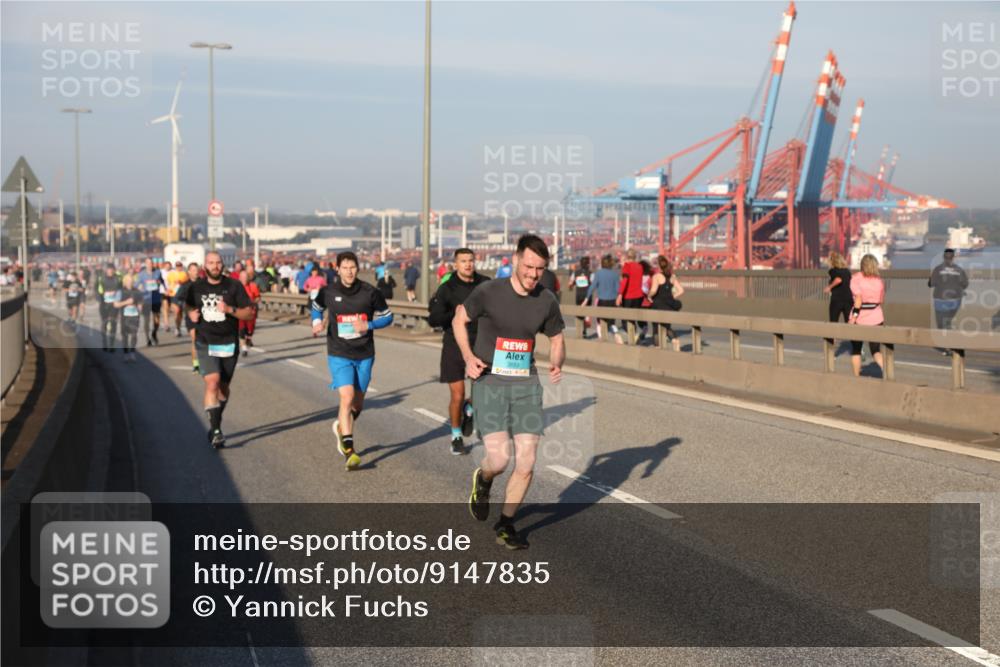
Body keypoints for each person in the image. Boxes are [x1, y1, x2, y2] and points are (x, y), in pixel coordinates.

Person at [454, 234, 565, 550]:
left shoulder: (546, 300)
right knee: (500, 459)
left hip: (525, 383)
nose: (533, 274)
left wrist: (556, 362)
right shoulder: (489, 291)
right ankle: (484, 479)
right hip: (490, 381)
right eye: (529, 266)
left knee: (527, 462)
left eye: (540, 269)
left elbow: (557, 338)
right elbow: (459, 320)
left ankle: (506, 523)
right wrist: (468, 357)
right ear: (516, 260)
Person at [310, 251, 393, 470]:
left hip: (365, 353)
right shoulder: (328, 291)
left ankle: (341, 427)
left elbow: (388, 316)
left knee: (357, 404)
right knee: (346, 397)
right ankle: (350, 451)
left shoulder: (370, 292)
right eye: (345, 268)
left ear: (358, 268)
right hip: (339, 352)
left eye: (353, 267)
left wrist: (369, 325)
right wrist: (316, 322)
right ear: (337, 269)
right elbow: (316, 307)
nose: (349, 272)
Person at [186, 251, 256, 448]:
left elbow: (249, 313)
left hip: (228, 343)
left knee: (223, 389)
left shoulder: (234, 286)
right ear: (205, 266)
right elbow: (188, 306)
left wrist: (229, 310)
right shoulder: (196, 287)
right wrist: (190, 314)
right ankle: (216, 432)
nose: (215, 266)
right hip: (205, 341)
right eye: (211, 263)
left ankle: (216, 420)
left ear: (223, 265)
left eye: (218, 262)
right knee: (213, 382)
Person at [428, 248, 489, 454]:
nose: (468, 264)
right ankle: (456, 436)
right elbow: (433, 319)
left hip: (480, 343)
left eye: (471, 260)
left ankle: (469, 408)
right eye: (463, 261)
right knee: (458, 394)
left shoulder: (485, 284)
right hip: (454, 344)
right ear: (456, 264)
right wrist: (454, 315)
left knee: (481, 393)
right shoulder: (447, 288)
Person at [848, 253, 886, 377]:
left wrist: (854, 317)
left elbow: (858, 300)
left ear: (862, 265)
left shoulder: (856, 278)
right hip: (876, 318)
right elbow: (881, 301)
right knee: (875, 350)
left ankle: (856, 378)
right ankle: (886, 372)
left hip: (860, 319)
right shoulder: (879, 281)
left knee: (856, 350)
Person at [647, 256, 684, 351]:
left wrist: (649, 296)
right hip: (669, 305)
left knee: (656, 328)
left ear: (659, 266)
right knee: (666, 326)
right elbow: (681, 290)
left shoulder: (657, 276)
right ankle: (675, 340)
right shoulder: (672, 277)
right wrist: (672, 296)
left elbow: (654, 290)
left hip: (658, 305)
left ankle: (657, 347)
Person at [929, 248, 969, 335]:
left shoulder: (937, 269)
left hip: (940, 299)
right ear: (953, 257)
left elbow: (931, 283)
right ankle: (948, 332)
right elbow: (965, 284)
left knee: (940, 324)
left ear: (943, 257)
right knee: (947, 320)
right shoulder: (959, 269)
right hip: (955, 300)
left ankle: (943, 337)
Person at [585, 254, 623, 344]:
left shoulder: (598, 273)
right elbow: (618, 289)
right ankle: (616, 333)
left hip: (602, 300)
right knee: (611, 321)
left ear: (602, 263)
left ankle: (601, 338)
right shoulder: (615, 274)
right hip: (612, 301)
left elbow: (592, 287)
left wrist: (586, 299)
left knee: (599, 321)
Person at [172, 262, 202, 373]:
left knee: (205, 340)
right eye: (193, 270)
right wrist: (184, 308)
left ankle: (206, 361)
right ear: (189, 272)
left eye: (197, 269)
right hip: (191, 316)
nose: (196, 272)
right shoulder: (185, 286)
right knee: (195, 339)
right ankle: (196, 364)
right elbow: (176, 300)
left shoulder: (204, 283)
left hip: (204, 315)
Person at [617, 249, 645, 342]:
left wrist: (620, 294)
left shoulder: (627, 266)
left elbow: (625, 281)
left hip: (628, 296)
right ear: (635, 256)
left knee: (625, 320)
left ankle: (634, 335)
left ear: (627, 256)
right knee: (633, 318)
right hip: (639, 296)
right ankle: (634, 336)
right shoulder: (640, 266)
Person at [95, 263, 124, 353]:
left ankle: (111, 345)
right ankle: (105, 343)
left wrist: (118, 299)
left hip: (114, 304)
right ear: (106, 270)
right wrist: (100, 299)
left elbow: (121, 289)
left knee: (113, 323)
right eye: (109, 269)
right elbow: (96, 290)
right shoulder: (101, 278)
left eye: (112, 269)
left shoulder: (118, 278)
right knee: (104, 323)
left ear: (114, 270)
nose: (110, 271)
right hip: (104, 304)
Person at [136, 258, 165, 347]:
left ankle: (154, 333)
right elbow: (135, 286)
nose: (150, 265)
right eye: (148, 263)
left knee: (157, 320)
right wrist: (139, 293)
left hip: (156, 298)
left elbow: (162, 281)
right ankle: (147, 338)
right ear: (145, 264)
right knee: (146, 320)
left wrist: (163, 286)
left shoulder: (158, 272)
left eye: (151, 263)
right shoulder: (141, 274)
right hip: (146, 299)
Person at [115, 274, 143, 362]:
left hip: (135, 316)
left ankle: (132, 353)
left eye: (131, 281)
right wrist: (126, 302)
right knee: (125, 335)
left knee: (134, 334)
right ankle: (126, 353)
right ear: (124, 282)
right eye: (127, 281)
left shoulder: (137, 291)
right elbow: (116, 304)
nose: (129, 283)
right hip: (125, 316)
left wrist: (139, 309)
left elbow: (140, 303)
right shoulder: (120, 292)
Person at [824, 251, 853, 324]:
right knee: (849, 321)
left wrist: (829, 287)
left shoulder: (833, 271)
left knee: (833, 321)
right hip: (848, 299)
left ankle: (832, 332)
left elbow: (838, 280)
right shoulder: (847, 271)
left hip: (837, 299)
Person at [239, 269, 262, 356]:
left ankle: (249, 338)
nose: (244, 279)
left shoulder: (253, 286)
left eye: (245, 277)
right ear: (239, 278)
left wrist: (252, 302)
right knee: (241, 330)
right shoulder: (236, 287)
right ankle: (244, 348)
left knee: (250, 330)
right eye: (242, 277)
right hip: (240, 311)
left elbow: (258, 297)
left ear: (248, 278)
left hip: (251, 311)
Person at [570, 257, 593, 337]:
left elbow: (570, 284)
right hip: (587, 297)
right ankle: (584, 331)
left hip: (579, 296)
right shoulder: (590, 273)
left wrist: (572, 285)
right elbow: (593, 284)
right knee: (586, 313)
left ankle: (579, 332)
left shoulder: (575, 273)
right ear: (588, 264)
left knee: (579, 314)